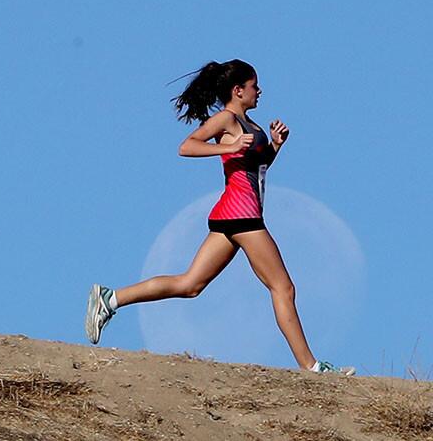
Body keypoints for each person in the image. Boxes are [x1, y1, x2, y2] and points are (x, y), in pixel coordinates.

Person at [84, 59, 353, 375]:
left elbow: (253, 171)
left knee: (190, 284)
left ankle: (110, 299)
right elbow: (186, 147)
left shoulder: (248, 124)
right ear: (238, 90)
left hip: (234, 215)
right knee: (284, 288)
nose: (259, 91)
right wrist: (229, 148)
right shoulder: (226, 120)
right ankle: (312, 367)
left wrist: (275, 147)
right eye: (254, 86)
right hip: (242, 216)